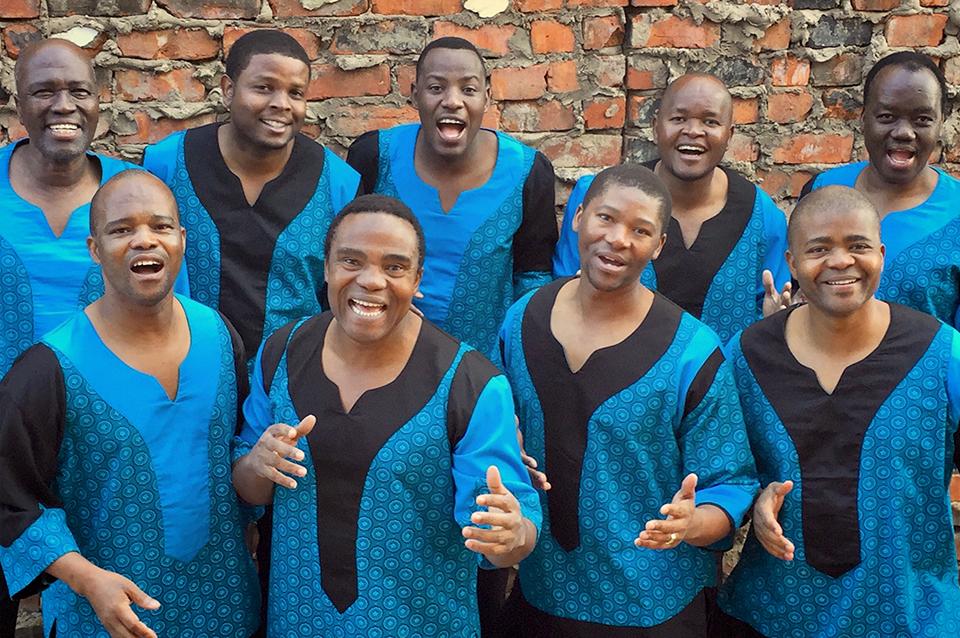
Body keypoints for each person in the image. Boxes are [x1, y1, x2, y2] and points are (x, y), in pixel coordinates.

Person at [232, 194, 541, 637]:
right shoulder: (282, 353)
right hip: (299, 622)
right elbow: (248, 489)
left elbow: (508, 534)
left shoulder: (471, 384)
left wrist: (510, 536)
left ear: (418, 279)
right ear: (327, 268)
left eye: (394, 267)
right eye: (351, 261)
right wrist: (256, 464)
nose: (371, 280)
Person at [499, 164, 758, 636]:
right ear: (577, 217)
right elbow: (496, 429)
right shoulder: (522, 322)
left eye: (640, 230)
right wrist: (507, 448)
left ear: (658, 246)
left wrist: (691, 522)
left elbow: (732, 482)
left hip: (653, 606)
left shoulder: (692, 352)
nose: (618, 239)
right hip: (540, 596)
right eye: (606, 218)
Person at [0, 171, 260, 638]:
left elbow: (239, 451)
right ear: (94, 248)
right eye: (121, 230)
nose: (145, 240)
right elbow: (10, 498)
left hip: (224, 608)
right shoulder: (48, 370)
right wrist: (85, 578)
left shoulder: (220, 336)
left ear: (181, 240)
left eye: (160, 227)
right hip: (105, 620)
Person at [717, 186, 960, 637]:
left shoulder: (942, 353)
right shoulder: (747, 356)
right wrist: (754, 498)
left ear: (882, 255)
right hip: (773, 615)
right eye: (819, 248)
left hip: (909, 616)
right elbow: (721, 471)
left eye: (858, 246)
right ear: (791, 263)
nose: (840, 261)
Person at [143, 29, 360, 361]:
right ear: (228, 90)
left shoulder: (338, 184)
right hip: (183, 368)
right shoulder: (167, 165)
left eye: (296, 93)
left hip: (292, 375)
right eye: (264, 88)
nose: (281, 104)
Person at [346, 36, 558, 360]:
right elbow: (343, 257)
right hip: (379, 358)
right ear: (414, 94)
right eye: (436, 88)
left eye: (468, 90)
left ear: (487, 98)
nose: (452, 101)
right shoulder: (375, 157)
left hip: (482, 369)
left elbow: (533, 279)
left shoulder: (527, 172)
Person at [553, 73, 789, 344]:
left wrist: (776, 321)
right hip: (611, 376)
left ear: (729, 134)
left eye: (710, 122)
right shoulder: (601, 197)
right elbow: (563, 287)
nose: (693, 131)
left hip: (726, 381)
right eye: (678, 119)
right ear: (656, 126)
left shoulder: (762, 217)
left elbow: (770, 311)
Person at [0, 39, 143, 377]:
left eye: (79, 92)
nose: (64, 106)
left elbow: (172, 312)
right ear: (19, 107)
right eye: (44, 92)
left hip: (108, 412)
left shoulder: (136, 194)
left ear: (98, 102)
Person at [800, 51, 960, 327]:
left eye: (922, 119)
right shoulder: (822, 190)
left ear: (941, 123)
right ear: (864, 119)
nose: (904, 132)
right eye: (887, 116)